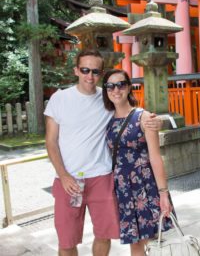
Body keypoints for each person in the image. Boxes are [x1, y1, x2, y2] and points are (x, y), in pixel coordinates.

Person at [44, 50, 161, 256]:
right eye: (85, 70)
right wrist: (63, 174)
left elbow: (129, 112)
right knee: (67, 241)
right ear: (76, 70)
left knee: (104, 235)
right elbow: (51, 141)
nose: (90, 76)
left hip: (101, 177)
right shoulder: (60, 98)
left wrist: (153, 120)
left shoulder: (107, 96)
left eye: (95, 71)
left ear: (101, 73)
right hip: (68, 179)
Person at [102, 69, 174, 256]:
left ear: (129, 87)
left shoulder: (143, 118)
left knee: (139, 243)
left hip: (143, 185)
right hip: (122, 188)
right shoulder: (107, 119)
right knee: (138, 241)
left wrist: (163, 193)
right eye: (110, 86)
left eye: (120, 85)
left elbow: (155, 157)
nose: (115, 90)